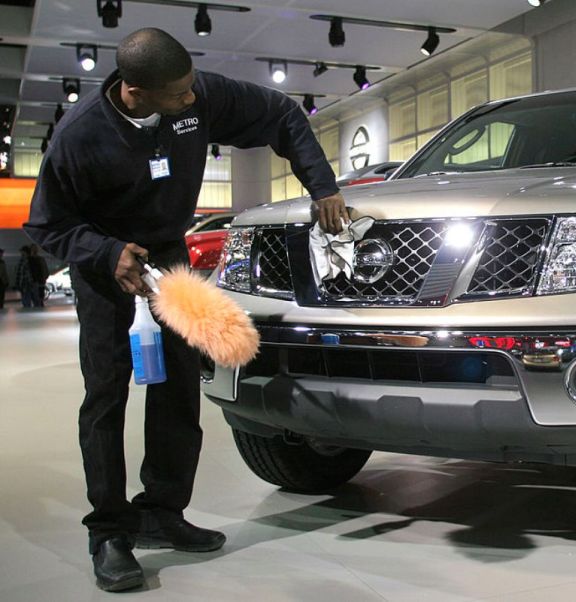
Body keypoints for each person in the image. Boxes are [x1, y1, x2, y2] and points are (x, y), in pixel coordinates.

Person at [24, 28, 347, 592]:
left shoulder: (196, 98)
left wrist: (322, 186)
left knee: (177, 387)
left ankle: (162, 511)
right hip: (108, 268)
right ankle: (109, 531)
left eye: (191, 88)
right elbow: (48, 225)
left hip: (169, 262)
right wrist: (105, 254)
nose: (191, 100)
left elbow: (282, 115)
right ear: (134, 92)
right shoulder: (79, 137)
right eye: (177, 94)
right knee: (106, 393)